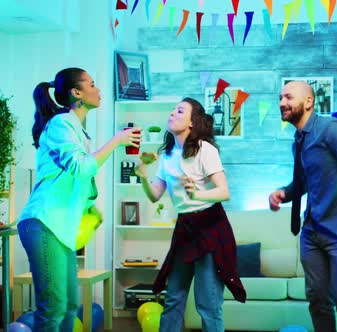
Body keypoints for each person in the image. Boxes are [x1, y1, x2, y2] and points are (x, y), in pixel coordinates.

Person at [18, 67, 141, 331]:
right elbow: (81, 167)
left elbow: (78, 180)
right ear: (77, 93)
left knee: (67, 306)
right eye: (92, 84)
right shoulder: (61, 124)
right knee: (53, 307)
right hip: (43, 223)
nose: (98, 90)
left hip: (61, 229)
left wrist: (90, 207)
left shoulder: (78, 132)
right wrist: (116, 141)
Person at [268, 81, 337, 332]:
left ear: (308, 102)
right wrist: (285, 193)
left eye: (288, 97)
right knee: (317, 301)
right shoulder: (299, 141)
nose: (282, 102)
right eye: (280, 97)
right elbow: (305, 182)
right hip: (312, 233)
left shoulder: (330, 130)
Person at [134, 97, 245, 332]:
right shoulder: (167, 156)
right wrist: (143, 175)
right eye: (173, 110)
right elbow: (155, 195)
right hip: (185, 229)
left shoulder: (206, 150)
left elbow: (224, 192)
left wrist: (196, 195)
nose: (173, 113)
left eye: (180, 110)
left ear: (193, 122)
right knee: (173, 298)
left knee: (208, 304)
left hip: (210, 227)